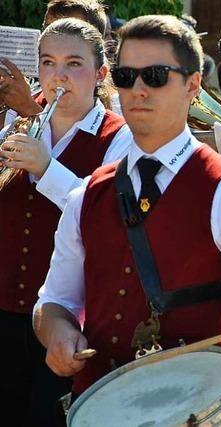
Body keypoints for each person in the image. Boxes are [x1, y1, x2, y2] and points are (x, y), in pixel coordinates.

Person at [32, 14, 221, 402]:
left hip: (195, 406)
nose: (138, 90)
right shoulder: (86, 195)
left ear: (193, 85)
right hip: (99, 404)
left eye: (156, 76)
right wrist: (56, 332)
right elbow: (54, 302)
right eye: (127, 77)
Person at [0, 17, 130, 426]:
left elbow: (107, 218)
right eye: (48, 63)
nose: (58, 77)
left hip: (70, 321)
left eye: (74, 64)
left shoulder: (120, 137)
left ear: (101, 73)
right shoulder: (12, 123)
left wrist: (46, 167)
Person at [0, 0, 111, 127]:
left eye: (71, 29)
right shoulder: (36, 90)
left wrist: (27, 107)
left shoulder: (116, 107)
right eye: (48, 27)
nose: (55, 36)